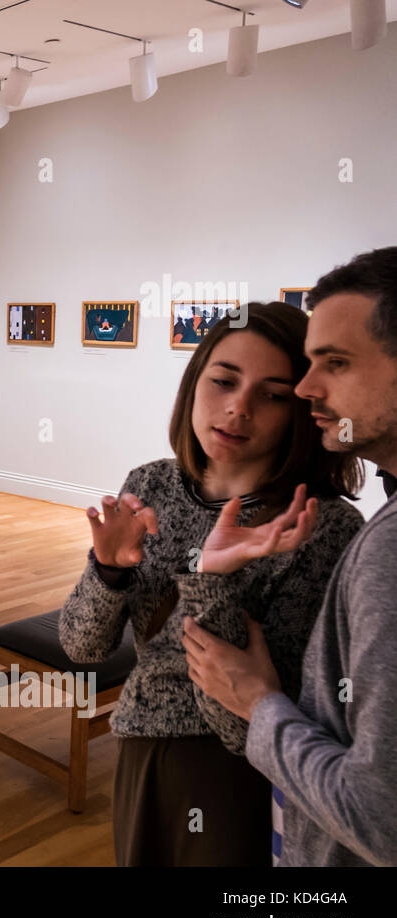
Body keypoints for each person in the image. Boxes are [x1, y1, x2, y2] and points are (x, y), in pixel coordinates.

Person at [59, 301, 365, 866]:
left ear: (300, 407)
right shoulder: (150, 482)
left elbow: (242, 719)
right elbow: (83, 647)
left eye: (272, 394)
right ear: (193, 382)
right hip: (141, 748)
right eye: (224, 380)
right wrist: (107, 571)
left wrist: (210, 582)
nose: (238, 409)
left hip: (237, 774)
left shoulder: (321, 528)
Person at [184, 247, 397, 866]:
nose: (307, 389)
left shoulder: (373, 545)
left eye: (336, 362)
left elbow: (378, 819)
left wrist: (257, 702)